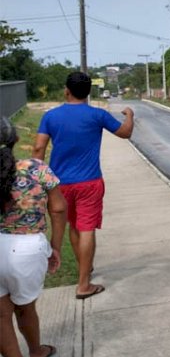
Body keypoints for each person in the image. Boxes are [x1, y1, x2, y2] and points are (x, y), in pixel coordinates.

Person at [32, 71, 134, 300]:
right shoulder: (97, 115)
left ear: (66, 90)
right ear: (88, 93)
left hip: (60, 185)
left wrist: (36, 176)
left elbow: (38, 148)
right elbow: (125, 133)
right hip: (89, 182)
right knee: (86, 228)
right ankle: (84, 283)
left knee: (75, 228)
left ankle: (83, 273)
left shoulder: (51, 117)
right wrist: (129, 115)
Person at [0, 116, 66, 357]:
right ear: (15, 139)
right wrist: (55, 247)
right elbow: (58, 208)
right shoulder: (35, 168)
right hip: (27, 248)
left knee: (0, 315)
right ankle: (36, 352)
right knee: (25, 308)